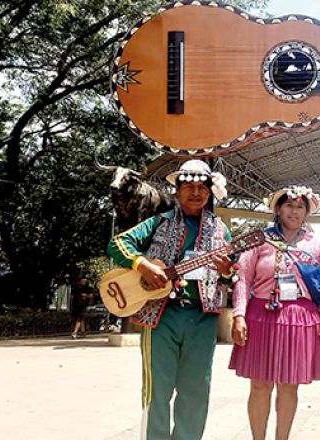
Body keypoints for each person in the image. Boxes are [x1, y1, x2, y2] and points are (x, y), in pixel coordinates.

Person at [107, 159, 234, 440]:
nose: (196, 192)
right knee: (157, 390)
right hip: (161, 316)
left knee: (196, 389)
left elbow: (232, 274)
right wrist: (142, 265)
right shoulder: (158, 222)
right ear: (176, 190)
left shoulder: (221, 230)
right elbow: (117, 244)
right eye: (188, 186)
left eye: (202, 187)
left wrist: (227, 272)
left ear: (211, 192)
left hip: (202, 318)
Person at [228, 186, 320, 440]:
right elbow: (243, 278)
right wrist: (238, 315)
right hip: (261, 316)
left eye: (300, 207)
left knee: (289, 387)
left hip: (300, 319)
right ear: (278, 209)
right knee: (260, 385)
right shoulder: (259, 240)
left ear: (307, 213)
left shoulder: (317, 244)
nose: (294, 211)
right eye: (289, 205)